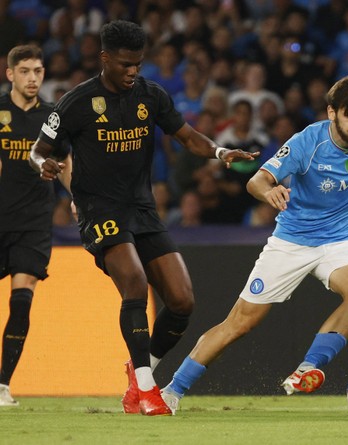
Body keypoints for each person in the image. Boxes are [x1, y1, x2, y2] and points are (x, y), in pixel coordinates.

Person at [29, 20, 257, 416]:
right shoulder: (77, 102)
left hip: (142, 209)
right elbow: (38, 150)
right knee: (133, 283)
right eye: (125, 64)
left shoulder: (151, 95)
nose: (133, 71)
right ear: (104, 59)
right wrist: (44, 164)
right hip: (99, 209)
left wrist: (220, 153)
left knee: (183, 301)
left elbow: (186, 136)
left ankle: (141, 371)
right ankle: (148, 391)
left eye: (138, 63)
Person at [160, 75, 348, 414]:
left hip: (339, 239)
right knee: (239, 323)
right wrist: (269, 191)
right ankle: (172, 391)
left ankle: (308, 368)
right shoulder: (306, 143)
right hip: (292, 241)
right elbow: (257, 179)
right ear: (332, 113)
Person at [0, 45, 71, 407]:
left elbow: (65, 160)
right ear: (10, 73)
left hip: (33, 223)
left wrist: (78, 197)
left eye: (38, 71)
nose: (32, 78)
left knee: (22, 301)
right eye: (25, 71)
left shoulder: (53, 117)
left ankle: (2, 386)